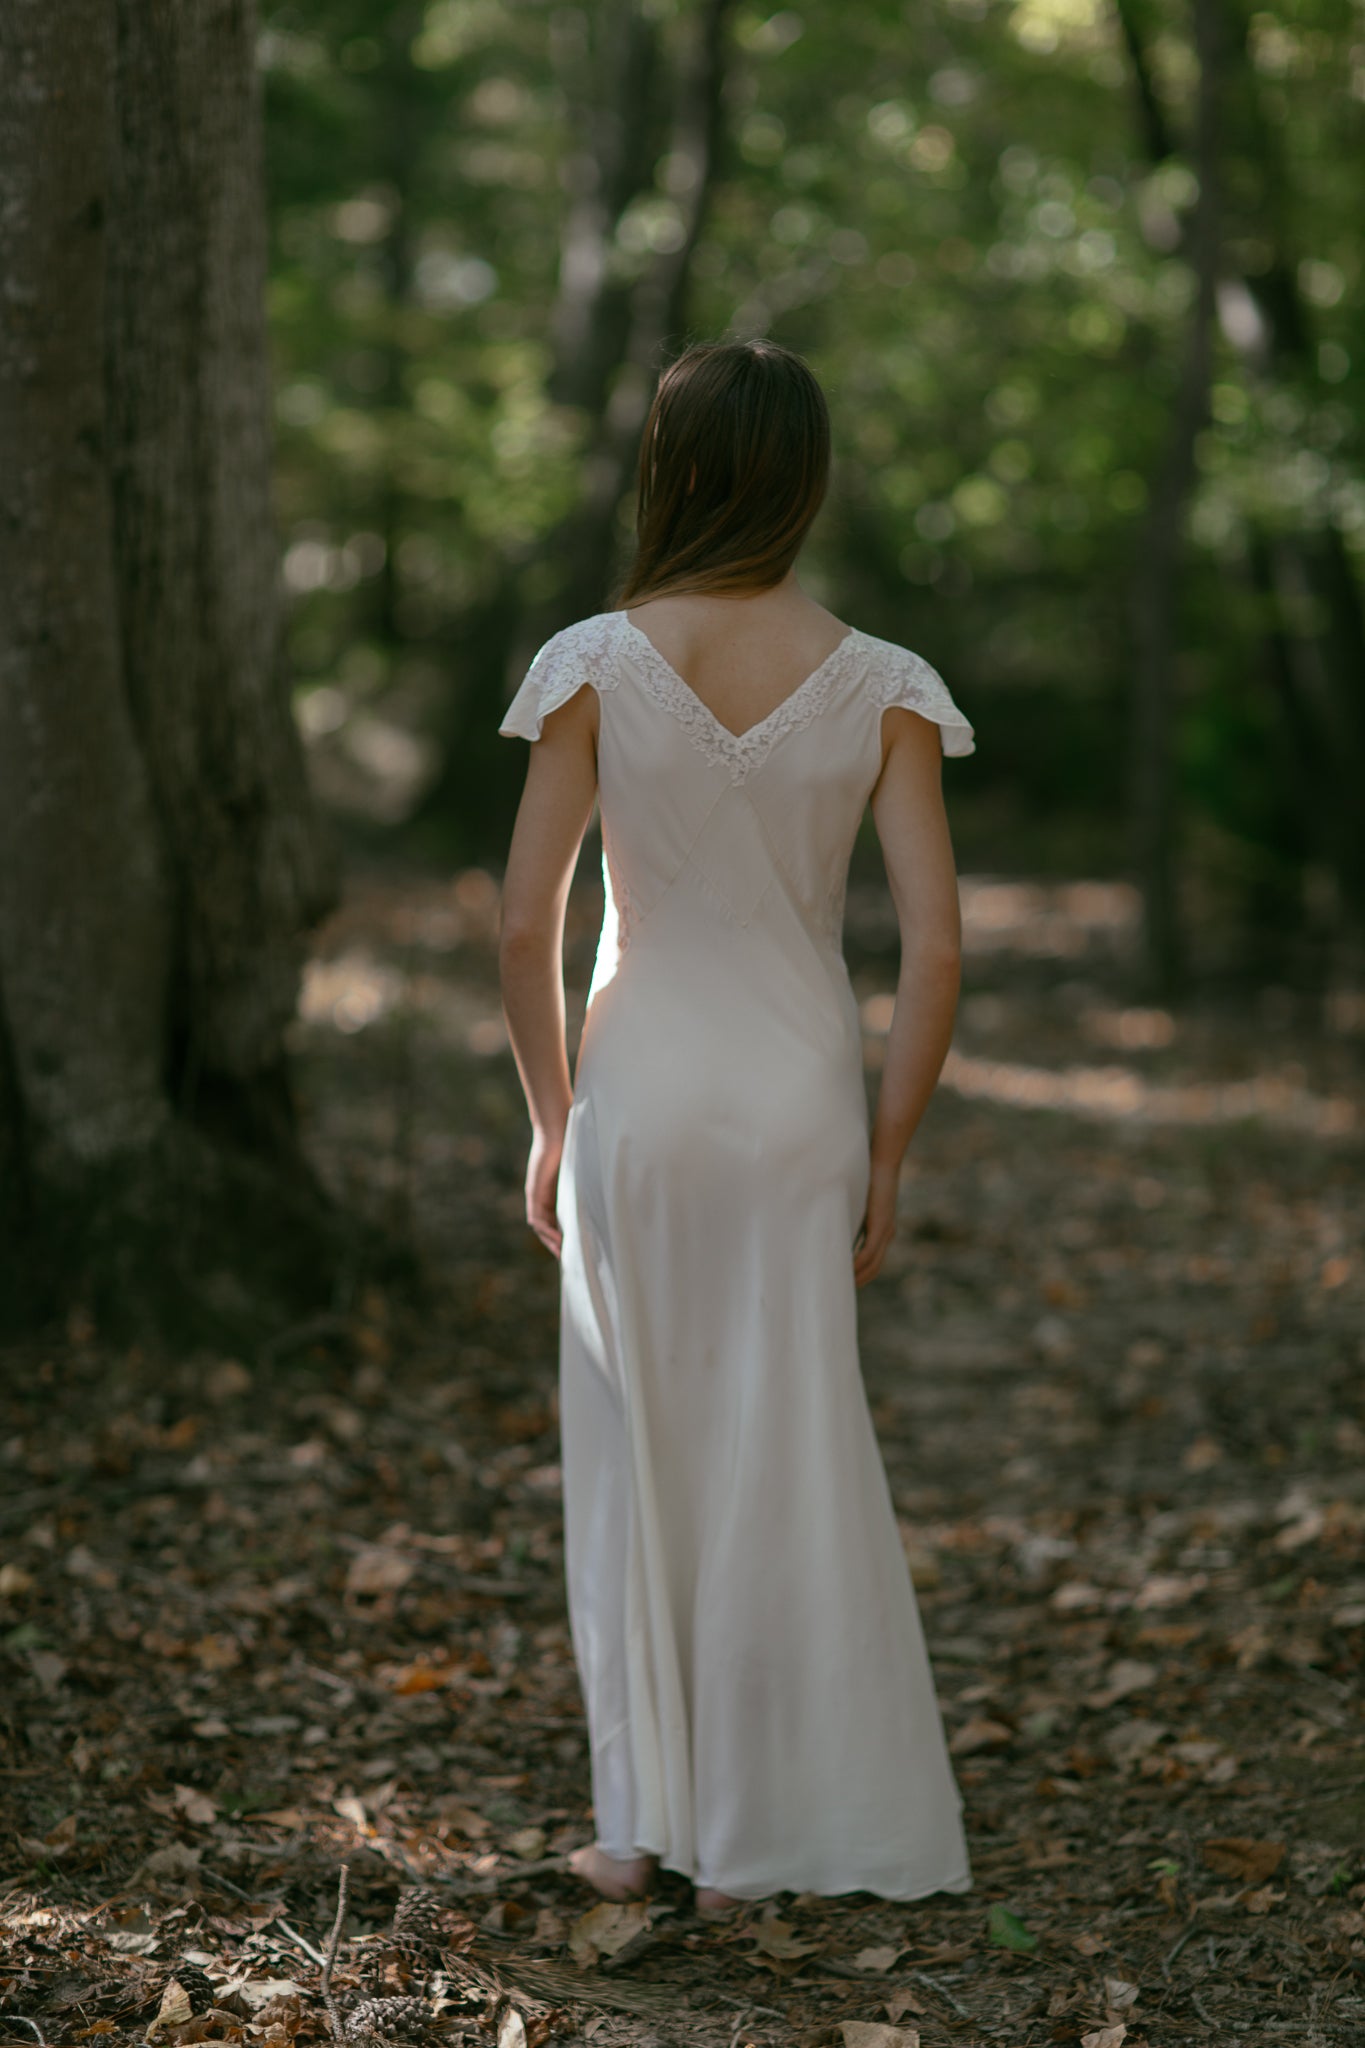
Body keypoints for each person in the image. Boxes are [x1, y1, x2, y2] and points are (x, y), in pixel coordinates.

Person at [497, 338, 975, 1916]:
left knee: (635, 1451)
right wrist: (888, 1151)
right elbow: (936, 946)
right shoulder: (883, 683)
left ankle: (637, 1829)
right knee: (787, 1444)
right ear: (805, 479)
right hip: (794, 1102)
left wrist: (547, 1121)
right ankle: (765, 1837)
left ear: (670, 467)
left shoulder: (592, 661)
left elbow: (523, 928)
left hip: (640, 1097)